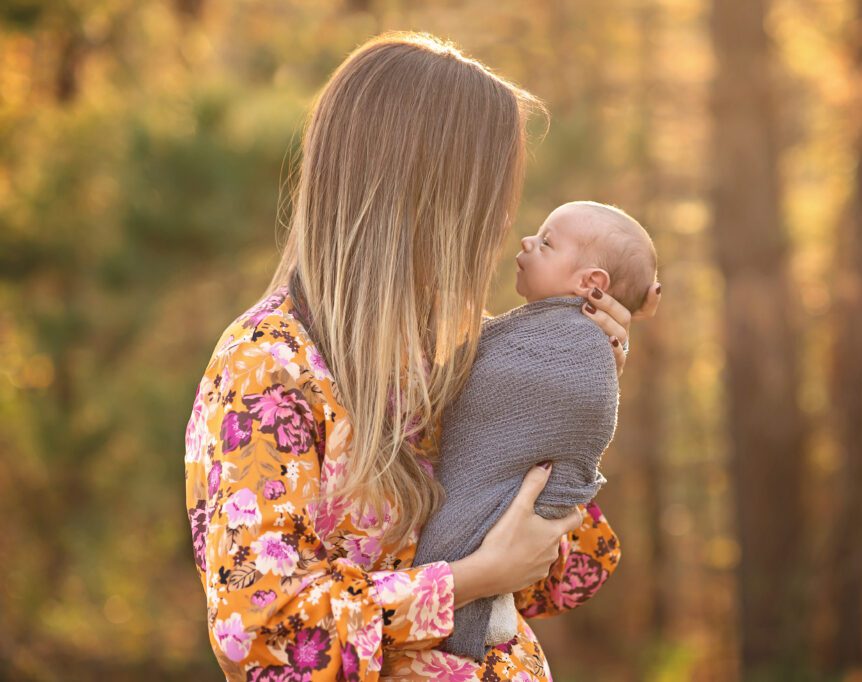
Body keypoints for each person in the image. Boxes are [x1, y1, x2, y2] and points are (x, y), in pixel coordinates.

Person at [183, 31, 661, 682]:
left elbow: (562, 582)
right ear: (425, 195)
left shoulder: (464, 354)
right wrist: (464, 581)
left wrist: (570, 408)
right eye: (490, 194)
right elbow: (265, 636)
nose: (502, 223)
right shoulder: (270, 367)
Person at [413, 200, 658, 661]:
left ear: (591, 284)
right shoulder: (276, 357)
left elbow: (565, 581)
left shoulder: (544, 343)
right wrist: (475, 578)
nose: (522, 238)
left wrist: (573, 390)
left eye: (545, 242)